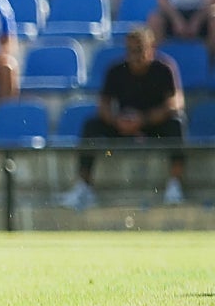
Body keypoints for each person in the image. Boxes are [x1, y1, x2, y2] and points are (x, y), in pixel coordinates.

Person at [56, 26, 186, 209]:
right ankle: (83, 186)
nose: (135, 55)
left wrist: (145, 119)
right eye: (131, 50)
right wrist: (117, 121)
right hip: (122, 125)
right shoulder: (116, 70)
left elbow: (176, 102)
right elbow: (103, 104)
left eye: (140, 50)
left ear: (151, 49)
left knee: (176, 123)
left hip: (154, 124)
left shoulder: (164, 68)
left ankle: (174, 185)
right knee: (91, 125)